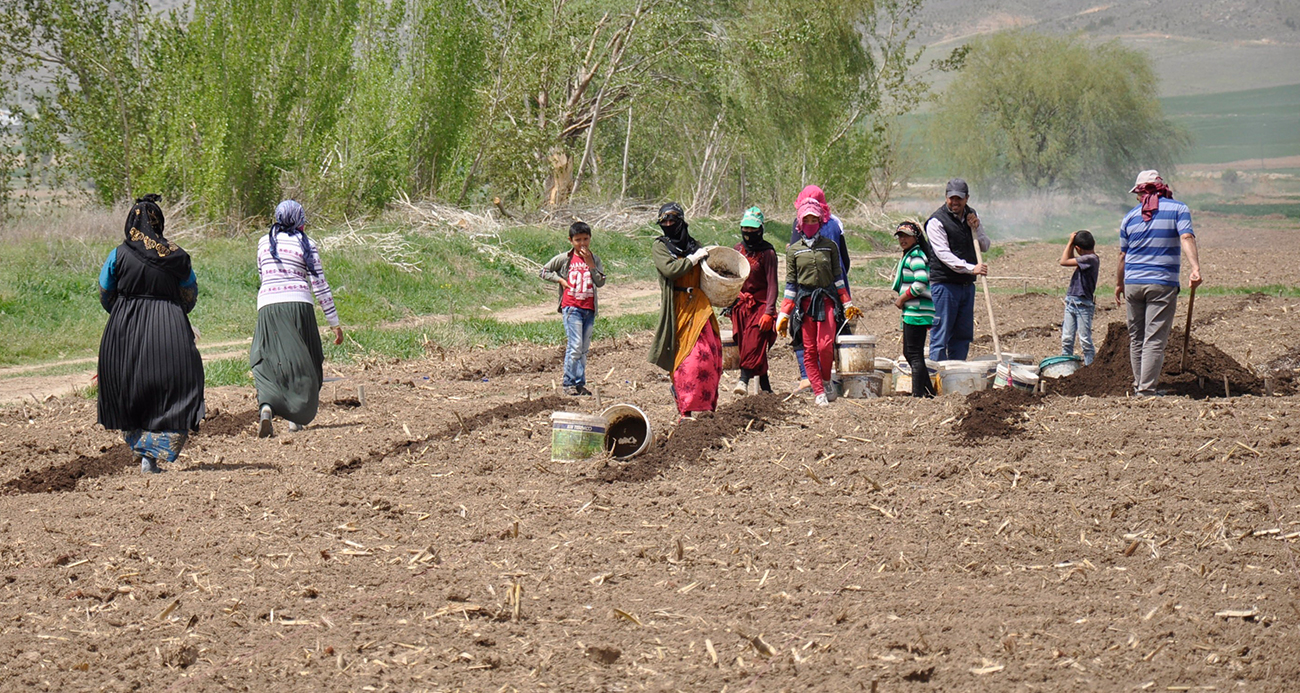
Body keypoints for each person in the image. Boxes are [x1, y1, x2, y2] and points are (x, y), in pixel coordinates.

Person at [96, 194, 205, 474]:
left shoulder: (117, 254)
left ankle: (142, 450)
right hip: (169, 324)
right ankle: (151, 456)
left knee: (131, 388)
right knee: (179, 387)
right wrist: (175, 313)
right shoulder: (177, 255)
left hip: (123, 327)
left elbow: (105, 291)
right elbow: (190, 294)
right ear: (160, 224)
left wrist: (122, 312)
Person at [251, 200, 344, 437]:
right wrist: (334, 322)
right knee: (307, 359)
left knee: (267, 359)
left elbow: (262, 275)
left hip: (268, 307)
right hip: (299, 305)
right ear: (301, 221)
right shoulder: (307, 244)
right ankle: (296, 419)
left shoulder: (264, 242)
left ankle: (267, 406)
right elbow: (320, 285)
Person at [1115, 170, 1202, 397]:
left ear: (1140, 192)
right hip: (1161, 282)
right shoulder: (1178, 209)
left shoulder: (1129, 217)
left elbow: (1122, 256)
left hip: (1133, 282)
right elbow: (1186, 237)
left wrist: (1119, 284)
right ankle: (1146, 390)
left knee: (1137, 337)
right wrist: (1195, 268)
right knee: (1154, 338)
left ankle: (1138, 385)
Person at [776, 197, 863, 406]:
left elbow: (838, 276)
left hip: (827, 301)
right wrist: (784, 314)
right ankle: (818, 391)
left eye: (814, 219)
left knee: (825, 345)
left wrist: (847, 303)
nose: (810, 224)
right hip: (805, 304)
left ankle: (825, 379)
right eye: (806, 219)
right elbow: (791, 285)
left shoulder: (829, 247)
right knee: (809, 348)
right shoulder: (794, 250)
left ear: (821, 221)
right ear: (800, 222)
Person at [647, 202, 722, 418]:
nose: (669, 224)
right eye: (665, 221)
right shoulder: (661, 247)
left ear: (681, 221)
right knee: (687, 359)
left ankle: (706, 407)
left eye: (673, 220)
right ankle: (686, 406)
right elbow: (671, 270)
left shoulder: (694, 245)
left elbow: (707, 273)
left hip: (698, 305)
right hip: (679, 306)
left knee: (711, 355)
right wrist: (691, 260)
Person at [786, 185, 852, 391]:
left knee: (801, 331)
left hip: (811, 288)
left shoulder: (801, 223)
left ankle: (809, 376)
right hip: (836, 283)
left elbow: (796, 262)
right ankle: (838, 376)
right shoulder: (835, 223)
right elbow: (846, 261)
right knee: (839, 329)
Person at [925, 178, 990, 362]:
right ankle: (938, 379)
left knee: (962, 335)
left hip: (966, 286)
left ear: (966, 198)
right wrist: (972, 268)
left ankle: (957, 374)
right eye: (951, 198)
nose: (955, 202)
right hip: (944, 285)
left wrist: (976, 228)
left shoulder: (971, 216)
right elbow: (944, 255)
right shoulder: (936, 221)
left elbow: (985, 245)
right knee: (941, 334)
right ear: (946, 197)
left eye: (959, 199)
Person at [540, 221, 607, 396]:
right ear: (571, 240)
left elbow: (600, 281)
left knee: (584, 348)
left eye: (585, 239)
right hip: (572, 307)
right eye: (578, 240)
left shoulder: (595, 259)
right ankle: (568, 382)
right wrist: (561, 281)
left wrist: (591, 264)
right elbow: (544, 271)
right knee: (575, 345)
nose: (582, 243)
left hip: (589, 308)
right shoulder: (565, 258)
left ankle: (579, 383)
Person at [727, 206, 778, 395]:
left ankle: (743, 380)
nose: (748, 233)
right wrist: (729, 302)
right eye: (745, 228)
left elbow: (773, 284)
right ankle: (766, 389)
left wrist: (769, 312)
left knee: (753, 341)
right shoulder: (737, 250)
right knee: (750, 345)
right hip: (741, 305)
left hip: (761, 304)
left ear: (760, 229)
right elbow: (732, 278)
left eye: (752, 229)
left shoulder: (768, 253)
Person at [891, 221, 935, 397]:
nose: (903, 239)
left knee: (914, 354)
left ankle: (918, 395)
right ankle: (928, 392)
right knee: (909, 353)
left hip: (917, 310)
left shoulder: (915, 256)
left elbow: (921, 281)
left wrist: (903, 297)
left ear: (915, 238)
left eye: (906, 236)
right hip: (915, 311)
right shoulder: (910, 254)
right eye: (900, 236)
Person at [1059, 230, 1099, 366]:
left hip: (1083, 305)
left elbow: (1063, 261)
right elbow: (1070, 258)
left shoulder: (1091, 259)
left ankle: (1090, 368)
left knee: (1085, 341)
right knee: (1067, 338)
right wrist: (1072, 245)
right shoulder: (1087, 259)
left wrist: (1070, 242)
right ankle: (1066, 367)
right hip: (1072, 301)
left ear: (1078, 249)